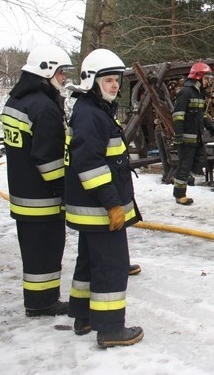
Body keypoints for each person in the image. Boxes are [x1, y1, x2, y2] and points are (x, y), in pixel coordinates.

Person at [64, 48, 143, 347]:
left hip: (90, 209)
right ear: (91, 82)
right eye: (108, 80)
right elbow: (90, 166)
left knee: (89, 261)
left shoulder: (92, 111)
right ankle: (110, 329)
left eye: (116, 80)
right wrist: (113, 204)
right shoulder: (90, 115)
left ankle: (83, 316)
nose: (115, 86)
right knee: (112, 265)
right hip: (98, 208)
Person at [1, 45, 73, 317]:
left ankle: (36, 299)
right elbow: (49, 161)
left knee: (32, 252)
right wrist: (65, 191)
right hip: (43, 199)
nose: (63, 78)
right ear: (47, 71)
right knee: (46, 251)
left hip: (22, 194)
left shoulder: (17, 101)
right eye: (61, 72)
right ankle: (43, 303)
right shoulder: (44, 109)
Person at [171, 62, 214, 205]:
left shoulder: (199, 94)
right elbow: (178, 115)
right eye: (206, 77)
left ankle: (178, 176)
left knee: (201, 160)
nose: (208, 81)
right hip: (186, 138)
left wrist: (211, 127)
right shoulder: (185, 92)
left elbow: (202, 116)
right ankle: (180, 195)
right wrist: (178, 135)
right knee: (185, 166)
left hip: (197, 137)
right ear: (198, 77)